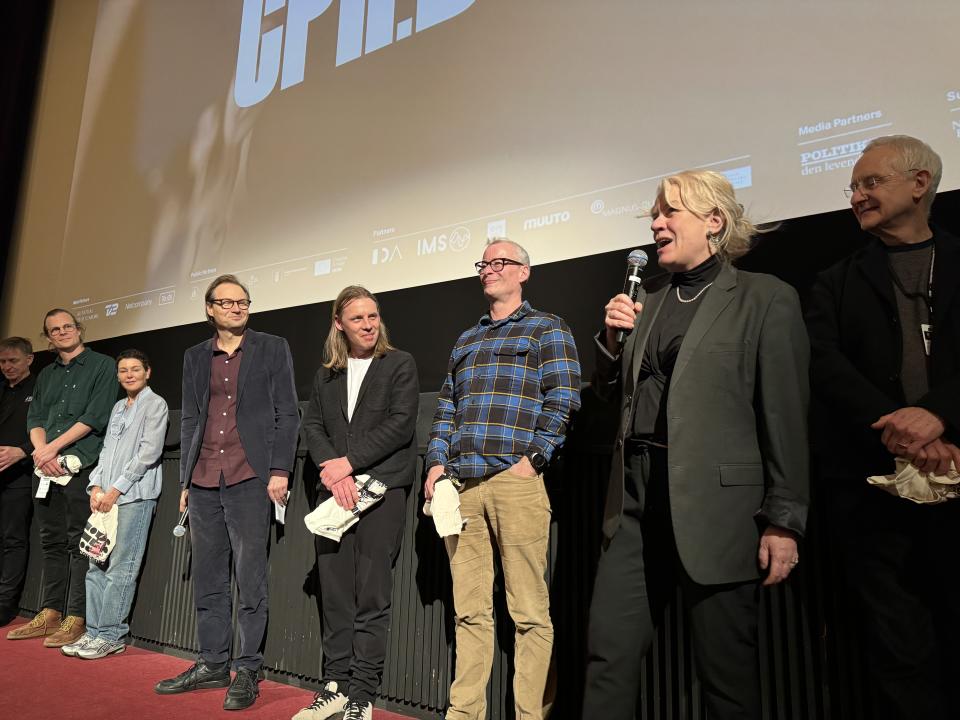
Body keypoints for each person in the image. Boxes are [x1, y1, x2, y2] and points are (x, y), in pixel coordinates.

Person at [582, 170, 809, 719]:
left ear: (714, 221)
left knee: (727, 676)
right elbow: (609, 406)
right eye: (655, 214)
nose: (656, 223)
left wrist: (785, 517)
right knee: (606, 658)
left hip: (718, 509)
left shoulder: (764, 298)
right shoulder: (647, 300)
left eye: (670, 212)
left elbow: (785, 414)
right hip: (633, 504)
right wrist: (611, 347)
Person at [805, 135, 960, 720]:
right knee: (899, 653)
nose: (857, 196)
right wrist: (900, 428)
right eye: (854, 187)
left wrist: (941, 415)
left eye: (871, 183)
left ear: (919, 184)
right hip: (874, 490)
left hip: (958, 469)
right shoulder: (835, 281)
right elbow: (824, 365)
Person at [425, 238, 581, 720]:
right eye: (484, 263)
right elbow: (447, 407)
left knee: (529, 613)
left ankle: (530, 715)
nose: (489, 269)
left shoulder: (546, 329)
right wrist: (435, 463)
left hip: (516, 484)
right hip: (463, 488)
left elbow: (564, 400)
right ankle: (465, 713)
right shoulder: (466, 340)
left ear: (523, 273)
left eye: (500, 262)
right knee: (469, 612)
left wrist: (532, 460)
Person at [154, 274, 299, 710]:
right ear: (209, 309)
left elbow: (288, 412)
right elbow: (191, 417)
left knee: (250, 578)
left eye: (243, 302)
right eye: (227, 302)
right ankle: (213, 662)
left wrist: (279, 470)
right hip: (202, 479)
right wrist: (183, 482)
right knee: (209, 579)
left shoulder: (272, 347)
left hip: (250, 476)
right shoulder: (195, 355)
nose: (237, 308)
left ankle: (248, 668)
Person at [295, 286, 419, 720]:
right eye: (358, 318)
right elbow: (312, 425)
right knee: (335, 595)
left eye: (373, 316)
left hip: (383, 491)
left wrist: (347, 463)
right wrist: (332, 467)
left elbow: (401, 425)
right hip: (334, 494)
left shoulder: (399, 363)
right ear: (339, 324)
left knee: (371, 593)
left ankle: (362, 695)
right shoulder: (327, 373)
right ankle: (336, 686)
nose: (368, 325)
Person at [8, 310, 116, 646]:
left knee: (78, 544)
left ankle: (76, 616)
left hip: (80, 466)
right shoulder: (46, 375)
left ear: (79, 329)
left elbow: (95, 417)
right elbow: (36, 417)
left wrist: (51, 449)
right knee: (50, 542)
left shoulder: (103, 365)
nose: (63, 332)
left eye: (68, 326)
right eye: (55, 330)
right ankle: (50, 612)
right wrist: (42, 453)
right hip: (47, 468)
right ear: (48, 338)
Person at [58, 349, 168, 660]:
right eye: (123, 370)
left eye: (135, 369)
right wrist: (95, 486)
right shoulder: (119, 406)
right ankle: (92, 632)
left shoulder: (155, 404)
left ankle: (110, 635)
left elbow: (148, 453)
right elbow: (106, 452)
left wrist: (115, 490)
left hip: (134, 497)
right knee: (95, 565)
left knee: (121, 569)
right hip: (104, 498)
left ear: (148, 372)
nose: (129, 374)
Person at [0, 337, 36, 626]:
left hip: (20, 475)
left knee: (13, 539)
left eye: (13, 360)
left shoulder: (39, 388)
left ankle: (5, 603)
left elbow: (46, 430)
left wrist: (22, 451)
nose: (7, 366)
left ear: (29, 359)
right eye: (2, 361)